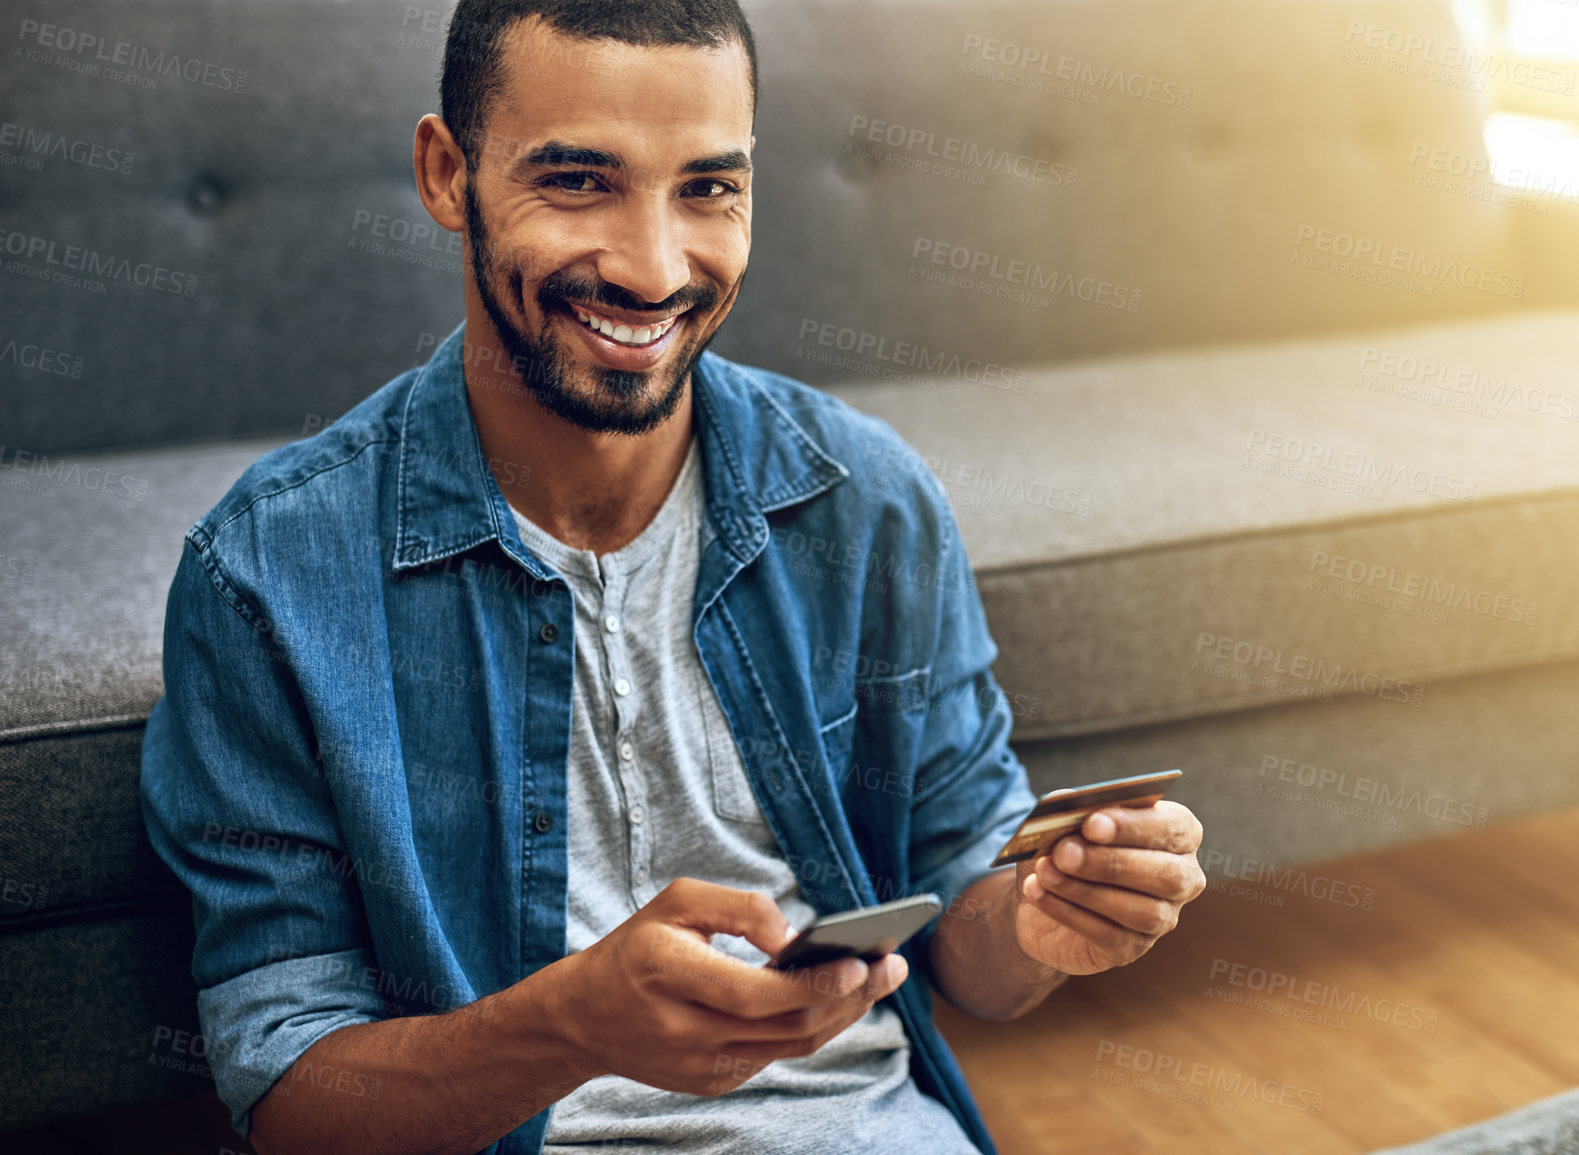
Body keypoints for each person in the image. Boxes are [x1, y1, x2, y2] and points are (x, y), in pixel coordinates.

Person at [138, 3, 1206, 1153]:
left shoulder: (867, 500)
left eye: (708, 189)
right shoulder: (266, 577)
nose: (654, 270)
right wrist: (566, 1030)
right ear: (449, 175)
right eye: (580, 182)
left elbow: (970, 945)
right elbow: (292, 1105)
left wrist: (1048, 924)